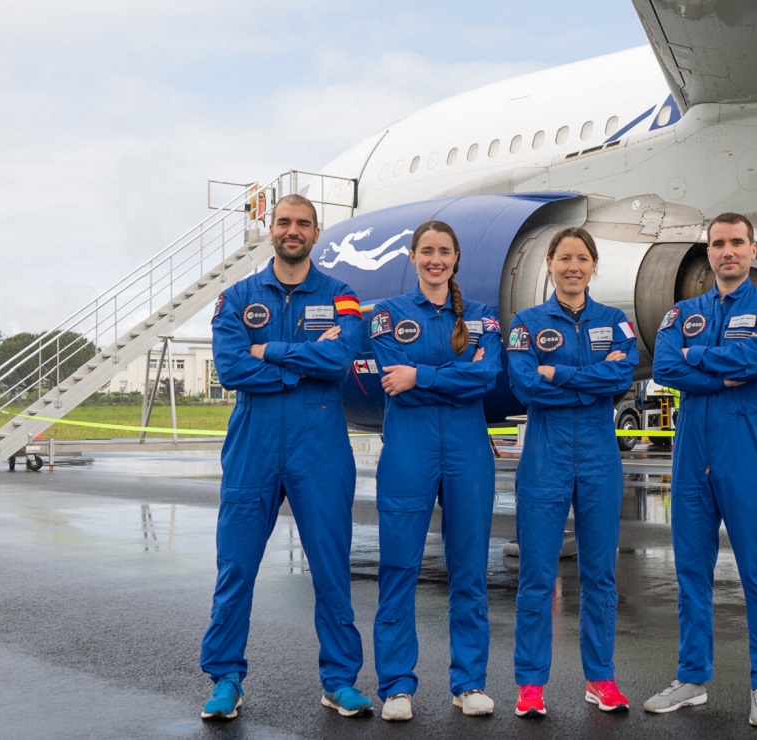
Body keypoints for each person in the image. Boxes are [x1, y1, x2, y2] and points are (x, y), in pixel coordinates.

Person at [200, 194, 372, 720]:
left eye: (303, 223)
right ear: (269, 229)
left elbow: (341, 356)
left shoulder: (342, 296)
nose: (292, 230)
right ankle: (225, 677)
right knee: (236, 566)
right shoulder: (236, 297)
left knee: (329, 568)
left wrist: (269, 351)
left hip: (318, 445)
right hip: (253, 444)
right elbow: (230, 368)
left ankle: (339, 680)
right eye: (284, 222)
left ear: (316, 233)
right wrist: (304, 367)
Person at [646, 212, 757, 727]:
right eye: (717, 243)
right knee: (690, 573)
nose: (727, 251)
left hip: (745, 454)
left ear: (753, 250)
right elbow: (666, 368)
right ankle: (692, 678)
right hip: (692, 458)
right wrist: (720, 367)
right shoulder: (680, 314)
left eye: (737, 242)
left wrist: (698, 360)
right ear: (708, 253)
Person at [369, 220, 503, 721]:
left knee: (470, 569)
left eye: (444, 251)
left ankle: (468, 683)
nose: (435, 260)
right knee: (399, 568)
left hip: (468, 451)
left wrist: (420, 375)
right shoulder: (386, 315)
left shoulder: (483, 318)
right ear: (412, 255)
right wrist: (452, 379)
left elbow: (486, 376)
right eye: (426, 251)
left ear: (456, 257)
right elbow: (390, 376)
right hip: (409, 450)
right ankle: (397, 686)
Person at [506, 226, 638, 718]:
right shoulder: (527, 322)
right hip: (546, 455)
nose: (573, 266)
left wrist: (556, 373)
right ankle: (530, 684)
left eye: (582, 258)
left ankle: (600, 678)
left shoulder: (615, 321)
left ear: (593, 265)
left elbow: (622, 376)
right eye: (564, 258)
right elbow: (524, 386)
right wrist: (590, 385)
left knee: (600, 575)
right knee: (538, 575)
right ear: (550, 264)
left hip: (600, 458)